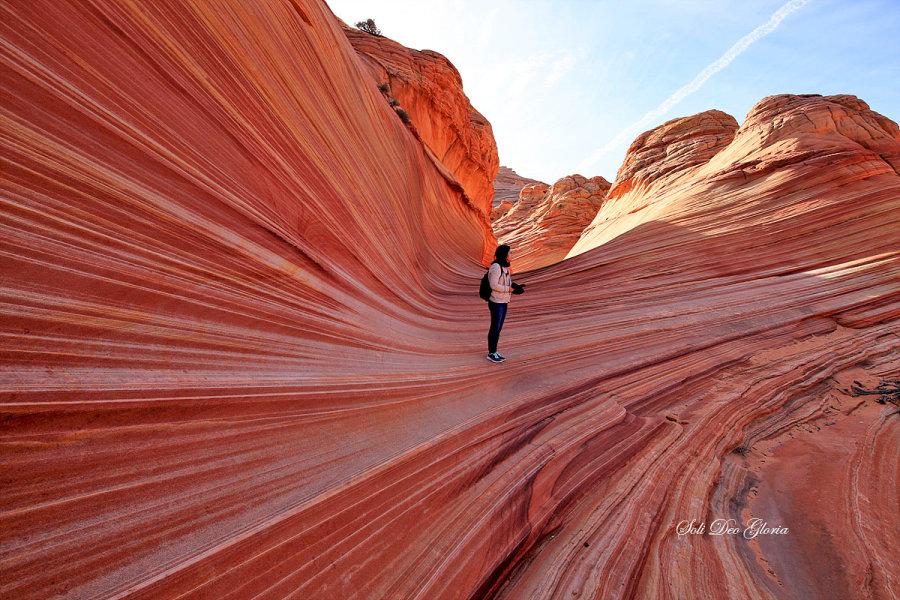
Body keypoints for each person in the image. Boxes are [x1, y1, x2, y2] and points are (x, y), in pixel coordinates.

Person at [486, 244, 524, 363]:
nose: (511, 255)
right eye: (510, 253)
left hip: (503, 301)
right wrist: (508, 289)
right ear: (505, 255)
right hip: (497, 302)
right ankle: (491, 353)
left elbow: (506, 282)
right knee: (495, 328)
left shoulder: (505, 267)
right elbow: (493, 285)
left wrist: (515, 287)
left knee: (498, 328)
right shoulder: (496, 267)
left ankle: (494, 351)